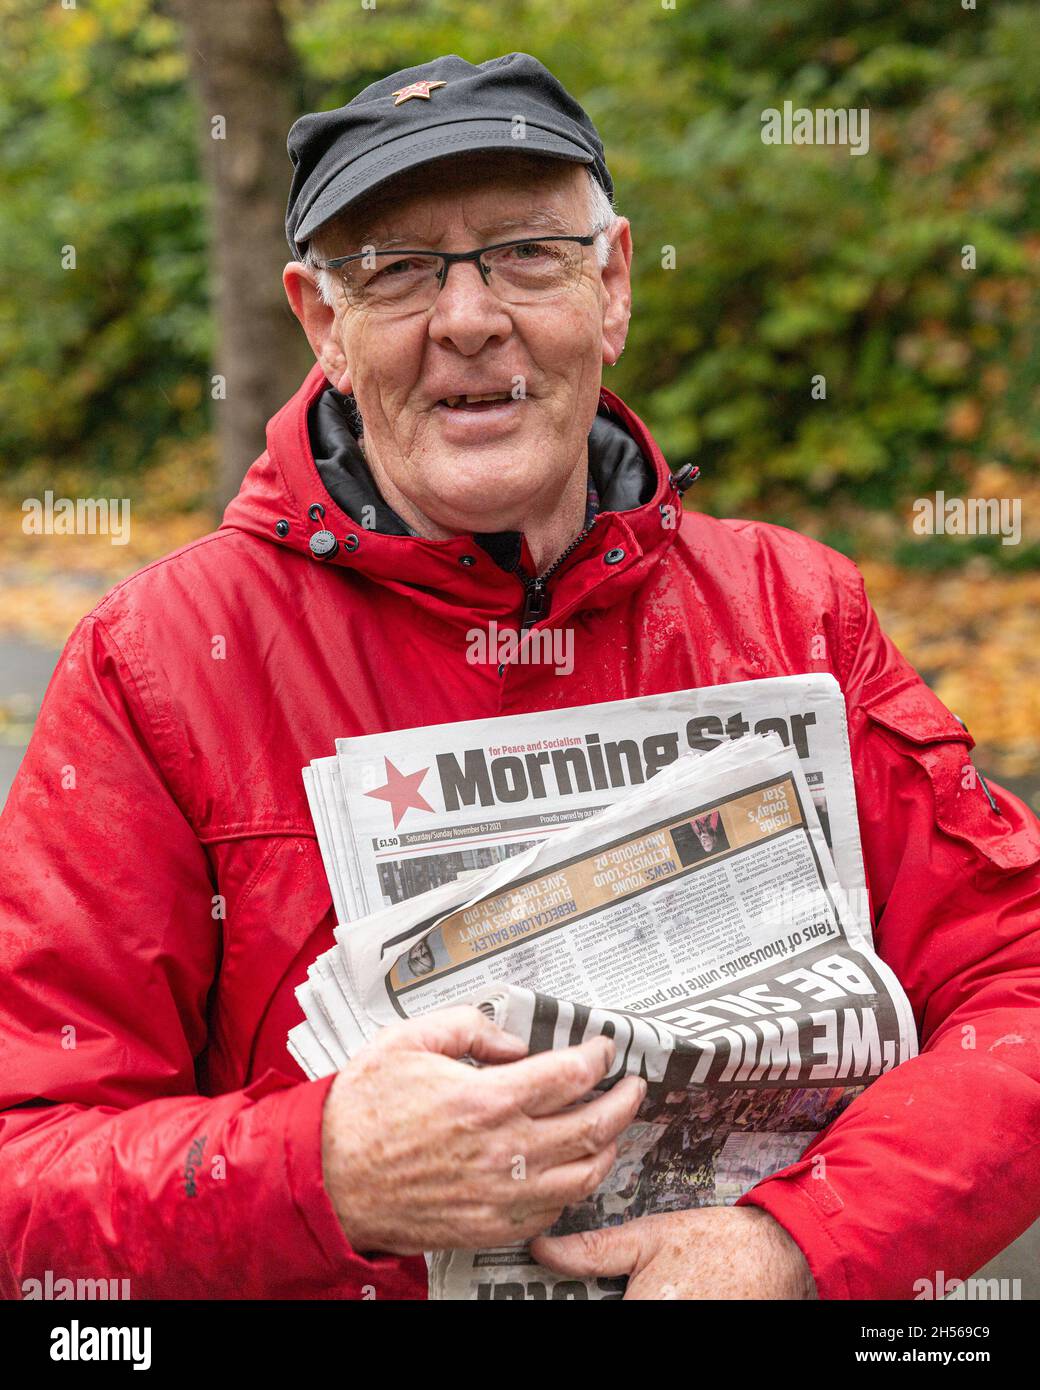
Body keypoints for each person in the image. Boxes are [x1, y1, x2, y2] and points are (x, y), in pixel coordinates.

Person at [2, 52, 1038, 1302]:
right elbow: (27, 1167)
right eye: (394, 271)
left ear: (611, 287)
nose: (468, 317)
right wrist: (314, 1167)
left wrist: (797, 1243)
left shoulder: (795, 609)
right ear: (323, 325)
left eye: (524, 253)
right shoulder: (156, 662)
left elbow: (1015, 991)